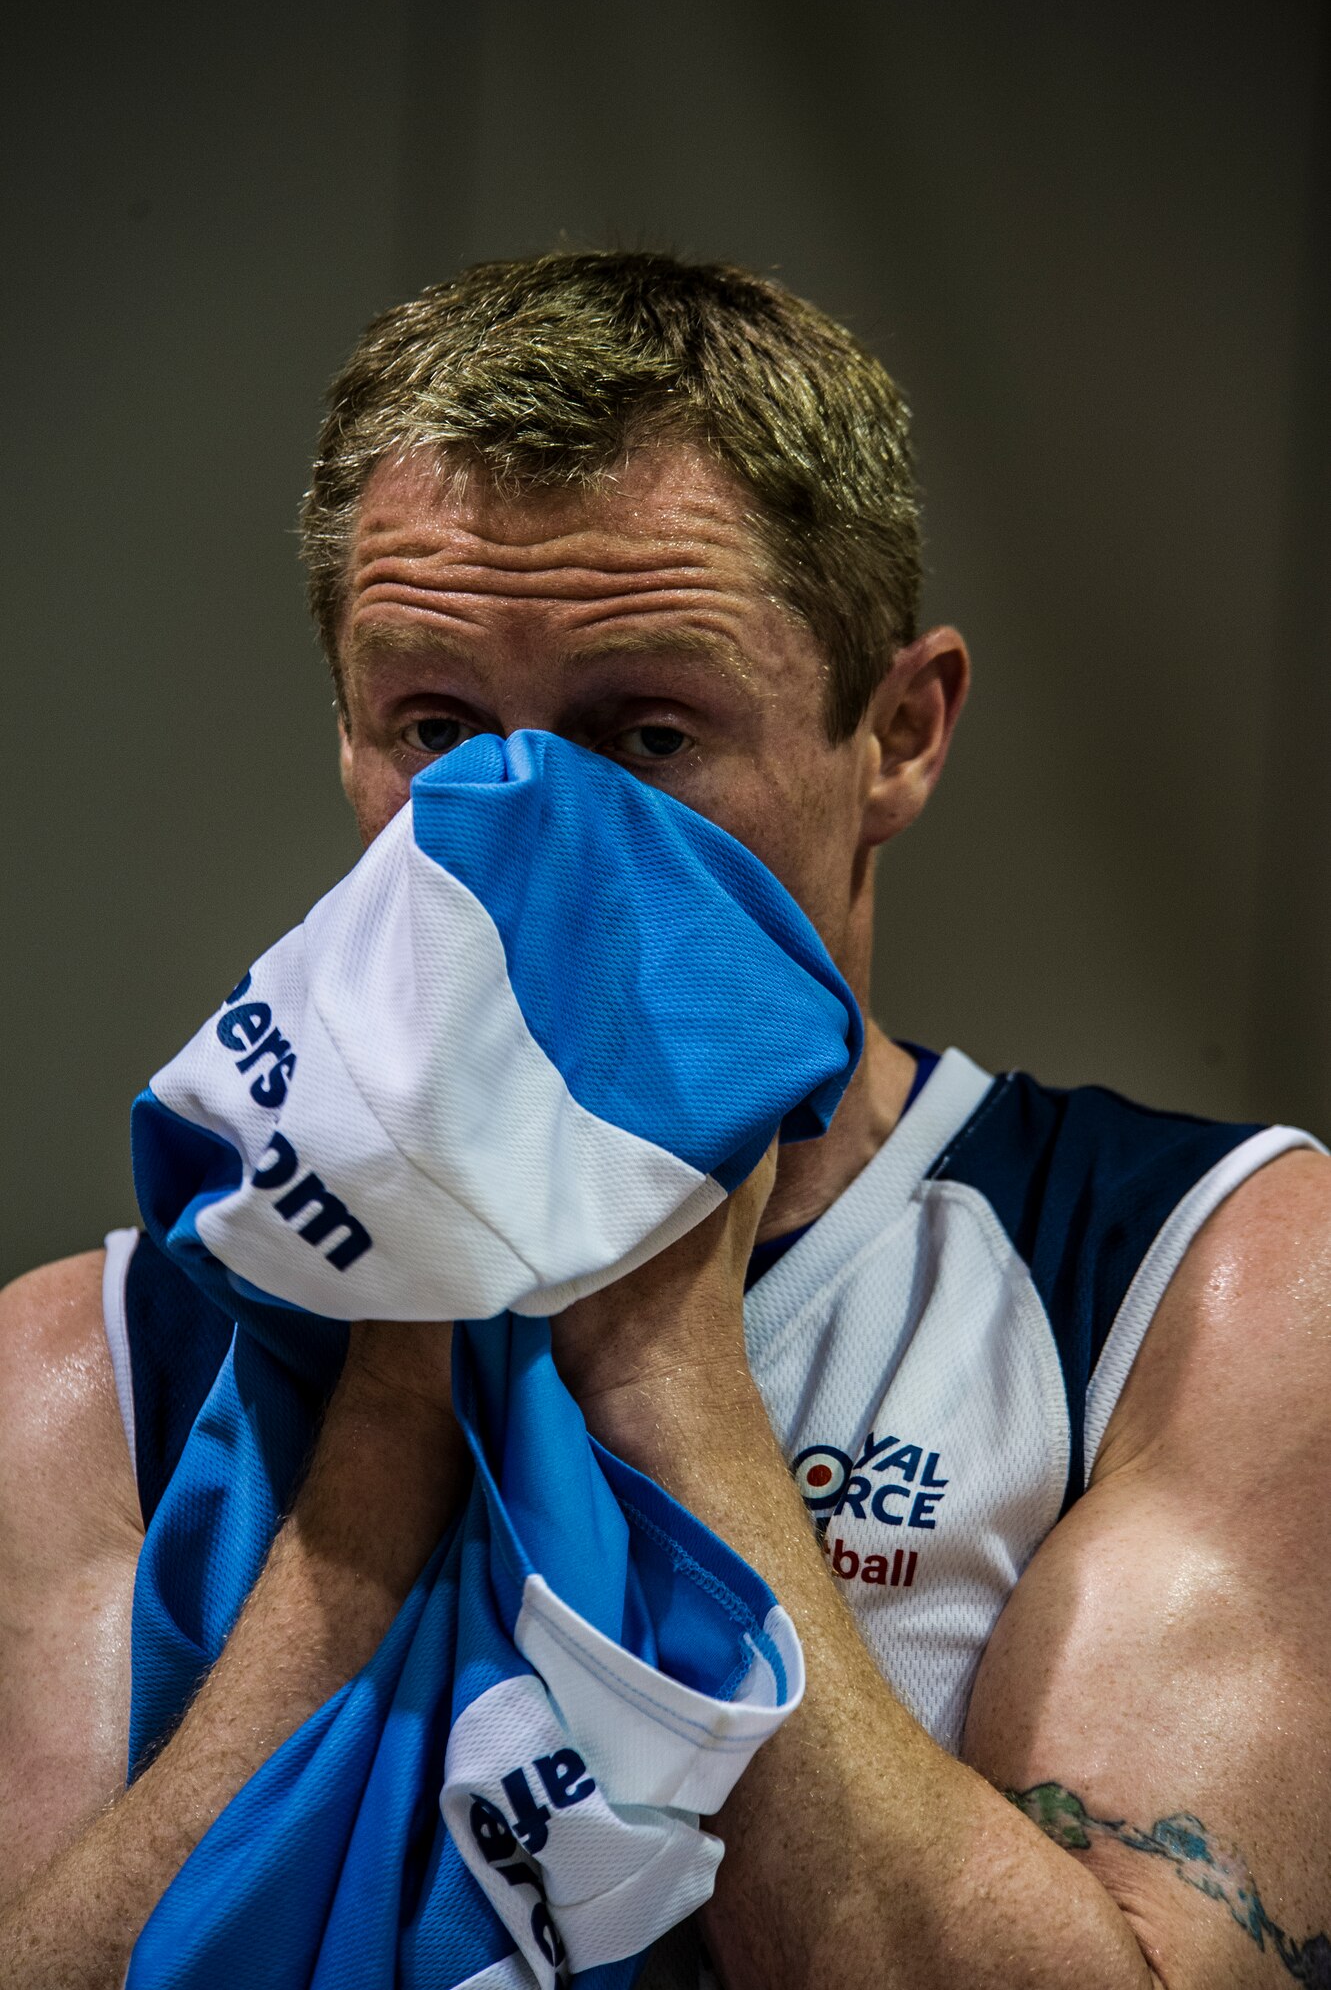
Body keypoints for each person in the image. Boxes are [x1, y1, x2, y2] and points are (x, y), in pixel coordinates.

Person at [1, 251, 1327, 1990]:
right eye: (436, 727)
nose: (523, 822)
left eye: (643, 735)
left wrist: (666, 1382)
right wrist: (390, 1442)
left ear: (900, 733)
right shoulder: (78, 1372)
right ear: (345, 737)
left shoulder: (1210, 1289)